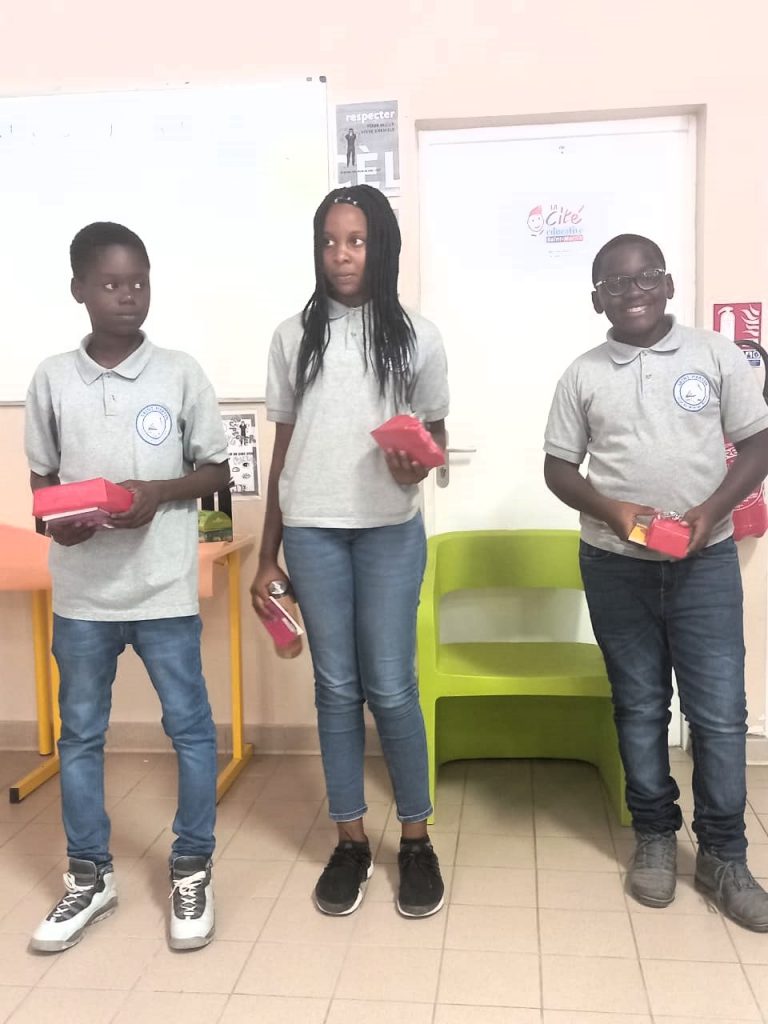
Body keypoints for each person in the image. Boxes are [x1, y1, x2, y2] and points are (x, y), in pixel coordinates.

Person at [543, 232, 768, 931]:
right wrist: (611, 510)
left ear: (669, 285)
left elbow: (759, 443)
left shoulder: (714, 355)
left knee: (719, 714)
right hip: (615, 566)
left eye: (647, 277)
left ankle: (725, 855)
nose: (634, 291)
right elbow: (557, 469)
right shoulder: (581, 375)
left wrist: (712, 511)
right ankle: (655, 835)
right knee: (640, 707)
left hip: (705, 563)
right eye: (616, 283)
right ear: (597, 299)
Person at [25, 222, 229, 953]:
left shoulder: (179, 372)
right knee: (80, 735)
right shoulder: (52, 378)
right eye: (111, 284)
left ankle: (192, 866)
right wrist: (60, 526)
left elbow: (216, 470)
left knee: (191, 731)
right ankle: (90, 876)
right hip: (83, 599)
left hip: (164, 592)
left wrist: (158, 493)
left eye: (138, 282)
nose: (128, 295)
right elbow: (42, 485)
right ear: (79, 290)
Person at [251, 184, 448, 918]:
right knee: (336, 689)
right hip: (312, 532)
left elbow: (435, 438)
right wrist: (267, 555)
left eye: (357, 240)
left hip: (390, 530)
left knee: (392, 687)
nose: (342, 254)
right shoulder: (292, 337)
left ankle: (416, 840)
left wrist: (417, 466)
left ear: (381, 246)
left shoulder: (418, 336)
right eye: (330, 241)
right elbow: (284, 449)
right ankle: (350, 841)